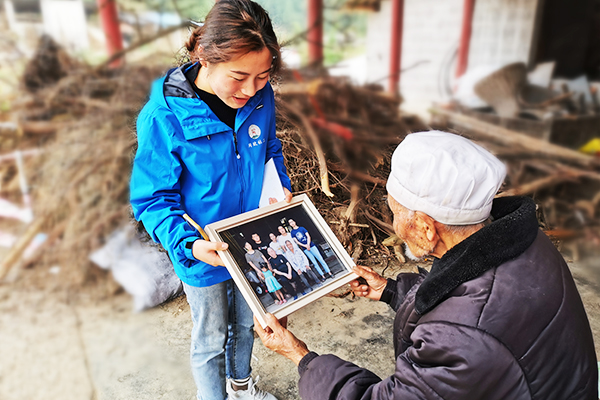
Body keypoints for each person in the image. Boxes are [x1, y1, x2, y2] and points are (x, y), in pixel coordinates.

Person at [255, 131, 598, 399]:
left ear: (425, 227)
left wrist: (301, 356)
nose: (393, 223)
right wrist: (392, 291)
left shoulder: (461, 342)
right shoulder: (527, 243)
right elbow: (465, 295)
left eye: (394, 211)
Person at [129, 1, 292, 399]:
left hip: (253, 241)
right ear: (203, 56)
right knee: (211, 334)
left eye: (263, 76)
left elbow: (269, 149)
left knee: (249, 321)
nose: (251, 89)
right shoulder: (164, 116)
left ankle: (241, 387)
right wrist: (189, 245)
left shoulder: (260, 98)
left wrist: (279, 187)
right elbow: (153, 199)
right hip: (202, 250)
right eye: (239, 77)